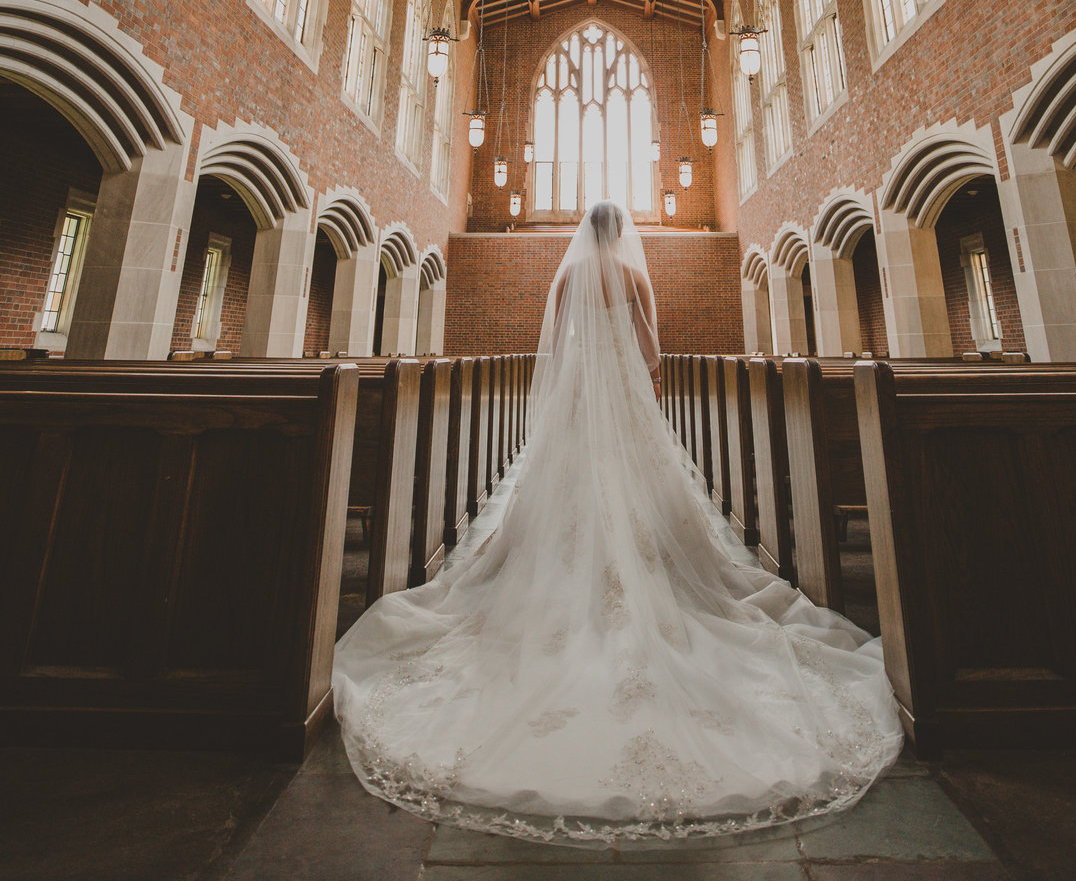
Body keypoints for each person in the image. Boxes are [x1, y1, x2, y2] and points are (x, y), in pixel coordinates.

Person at [333, 201, 902, 846]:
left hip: (578, 395)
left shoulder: (569, 275)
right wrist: (643, 380)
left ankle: (557, 580)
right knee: (638, 493)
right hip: (620, 397)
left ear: (585, 232)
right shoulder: (631, 278)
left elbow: (554, 343)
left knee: (567, 489)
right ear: (621, 233)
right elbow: (650, 353)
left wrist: (586, 372)